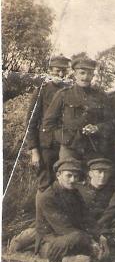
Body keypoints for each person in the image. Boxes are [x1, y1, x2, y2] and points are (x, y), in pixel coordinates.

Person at [34, 159, 107, 262]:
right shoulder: (47, 197)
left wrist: (100, 236)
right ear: (58, 175)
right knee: (78, 237)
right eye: (69, 176)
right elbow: (63, 228)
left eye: (75, 176)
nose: (73, 180)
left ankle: (69, 259)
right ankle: (70, 259)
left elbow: (86, 217)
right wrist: (91, 241)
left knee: (98, 240)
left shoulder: (75, 193)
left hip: (72, 238)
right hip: (51, 241)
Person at [42, 57, 115, 161]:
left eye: (89, 73)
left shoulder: (101, 96)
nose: (85, 77)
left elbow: (111, 123)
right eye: (82, 73)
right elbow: (48, 123)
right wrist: (65, 139)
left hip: (94, 148)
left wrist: (97, 128)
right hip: (70, 149)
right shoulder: (63, 94)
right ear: (75, 74)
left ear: (93, 75)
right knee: (68, 175)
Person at [26, 54, 72, 190]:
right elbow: (31, 123)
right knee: (46, 183)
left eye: (64, 70)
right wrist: (34, 150)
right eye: (57, 70)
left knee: (65, 184)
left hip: (65, 144)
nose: (61, 74)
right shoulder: (42, 90)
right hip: (47, 145)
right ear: (50, 70)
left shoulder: (70, 92)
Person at [77, 158, 115, 228]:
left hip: (105, 227)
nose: (103, 176)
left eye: (106, 172)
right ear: (90, 174)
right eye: (99, 172)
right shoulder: (78, 189)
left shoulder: (114, 190)